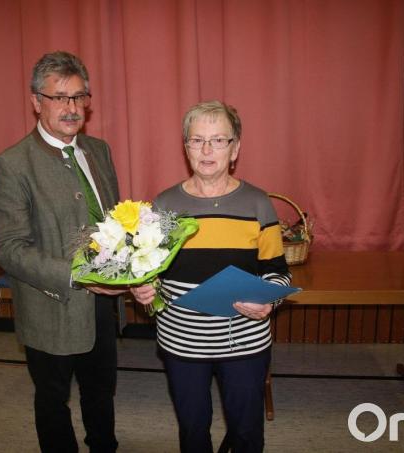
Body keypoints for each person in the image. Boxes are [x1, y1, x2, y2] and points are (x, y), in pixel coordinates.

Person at [131, 101, 292, 453]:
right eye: (196, 140)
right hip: (182, 343)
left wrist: (268, 299)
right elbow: (149, 271)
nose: (206, 150)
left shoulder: (258, 204)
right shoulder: (164, 205)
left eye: (218, 140)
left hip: (244, 343)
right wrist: (142, 289)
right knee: (192, 432)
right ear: (185, 148)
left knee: (247, 433)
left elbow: (278, 274)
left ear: (235, 149)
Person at [0, 51, 124, 453]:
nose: (71, 108)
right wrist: (77, 275)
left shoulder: (99, 150)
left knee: (101, 392)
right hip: (51, 306)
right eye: (59, 97)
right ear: (35, 102)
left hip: (103, 304)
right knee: (52, 402)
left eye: (79, 97)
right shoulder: (12, 165)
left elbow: (113, 222)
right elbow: (9, 249)